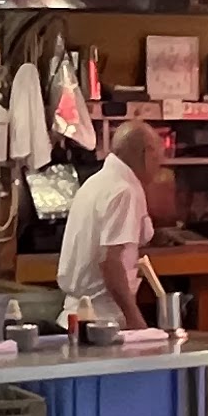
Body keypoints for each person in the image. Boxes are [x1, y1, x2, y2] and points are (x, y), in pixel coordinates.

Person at [57, 122, 162, 329]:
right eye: (159, 156)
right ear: (147, 153)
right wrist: (135, 319)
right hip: (102, 322)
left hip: (80, 317)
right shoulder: (124, 191)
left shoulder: (97, 182)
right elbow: (110, 262)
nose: (160, 164)